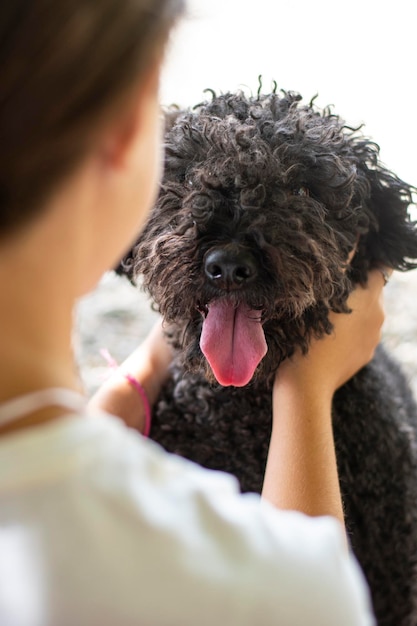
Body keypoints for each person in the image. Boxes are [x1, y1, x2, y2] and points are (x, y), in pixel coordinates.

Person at [0, 1, 385, 624]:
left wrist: (140, 371)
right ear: (129, 128)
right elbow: (304, 582)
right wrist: (306, 390)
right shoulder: (288, 586)